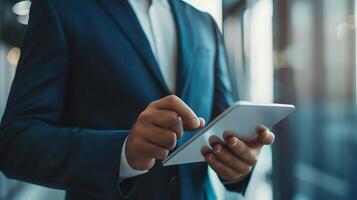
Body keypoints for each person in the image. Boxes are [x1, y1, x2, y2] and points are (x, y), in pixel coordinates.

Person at [0, 0, 275, 199]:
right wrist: (122, 153)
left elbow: (221, 128)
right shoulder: (63, 9)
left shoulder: (205, 23)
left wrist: (237, 165)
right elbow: (15, 142)